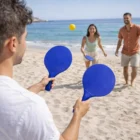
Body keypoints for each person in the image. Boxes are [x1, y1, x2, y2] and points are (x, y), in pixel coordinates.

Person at [0, 0, 90, 140]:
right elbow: (17, 107)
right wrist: (78, 114)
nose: (25, 44)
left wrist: (35, 88)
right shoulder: (30, 107)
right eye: (25, 38)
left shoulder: (22, 103)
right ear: (13, 44)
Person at [115, 13, 140, 86]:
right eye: (124, 18)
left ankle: (132, 82)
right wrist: (117, 50)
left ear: (131, 18)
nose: (126, 19)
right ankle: (126, 82)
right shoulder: (121, 29)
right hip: (125, 52)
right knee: (125, 69)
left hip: (135, 52)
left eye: (127, 18)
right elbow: (119, 41)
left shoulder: (137, 28)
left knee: (134, 69)